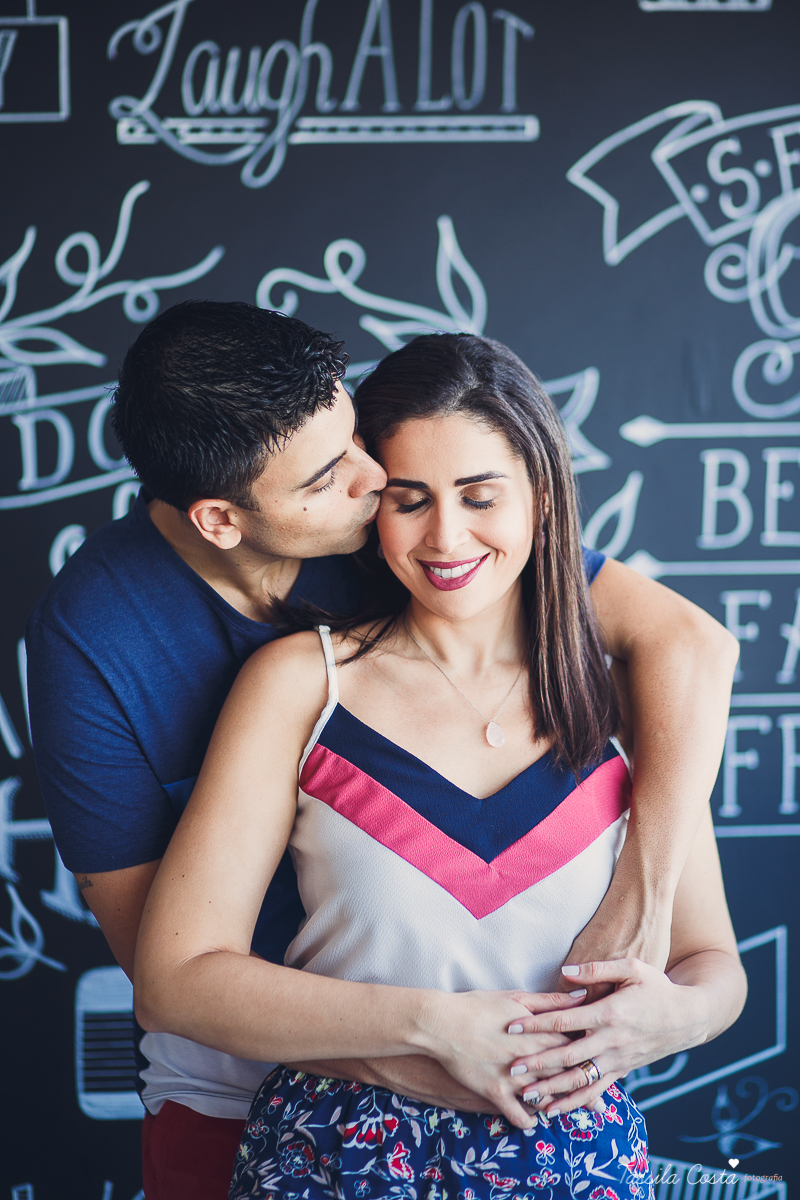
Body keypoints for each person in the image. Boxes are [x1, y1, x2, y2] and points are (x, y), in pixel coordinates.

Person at [26, 303, 738, 1200]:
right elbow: (168, 969)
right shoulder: (99, 643)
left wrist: (644, 903)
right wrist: (429, 1044)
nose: (376, 478)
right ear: (223, 519)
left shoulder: (422, 539)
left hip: (527, 1106)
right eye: (337, 473)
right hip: (253, 1091)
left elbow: (692, 646)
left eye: (356, 437)